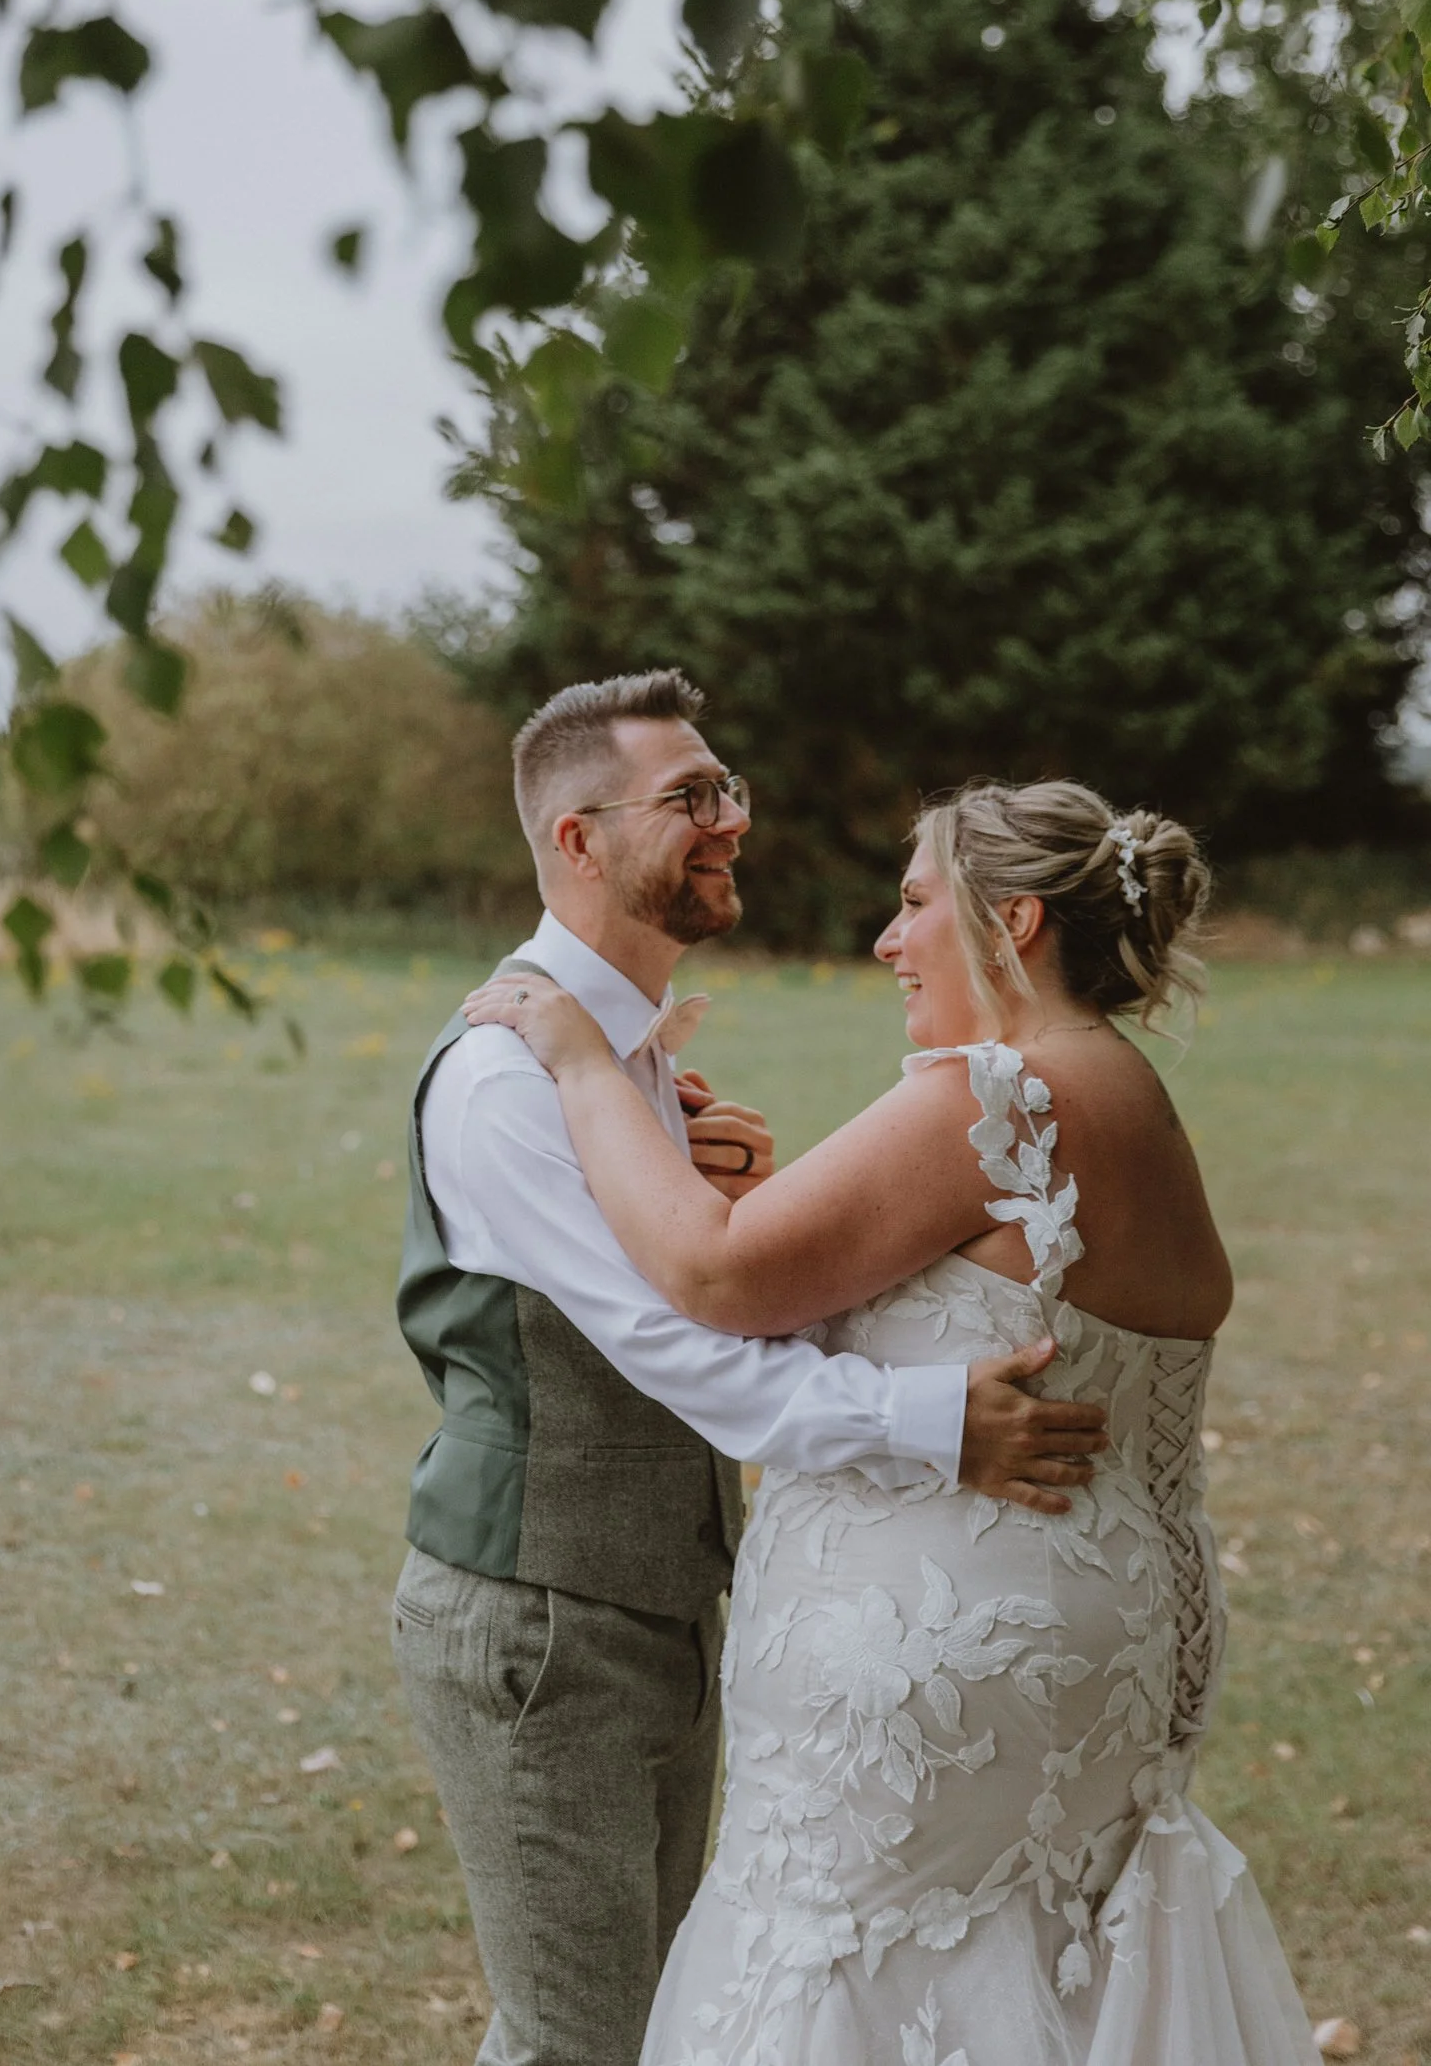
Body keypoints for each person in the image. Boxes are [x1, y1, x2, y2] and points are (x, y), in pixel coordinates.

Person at [466, 776, 1321, 2066]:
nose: (886, 939)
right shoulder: (1132, 1098)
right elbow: (924, 1282)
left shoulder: (1000, 1095)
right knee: (1034, 1967)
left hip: (936, 1667)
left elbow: (718, 1274)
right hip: (1124, 1644)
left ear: (1013, 922)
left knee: (853, 1979)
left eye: (914, 901)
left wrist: (585, 1060)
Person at [393, 674, 1109, 2066]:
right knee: (572, 2039)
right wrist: (934, 1421)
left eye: (729, 789)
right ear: (578, 841)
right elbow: (678, 1352)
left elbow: (717, 1280)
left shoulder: (626, 1060)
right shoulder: (507, 1077)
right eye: (690, 799)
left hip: (656, 1603)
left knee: (649, 2023)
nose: (731, 821)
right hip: (540, 1620)